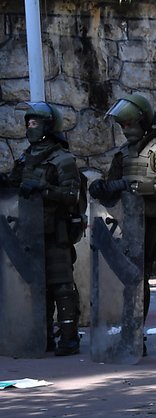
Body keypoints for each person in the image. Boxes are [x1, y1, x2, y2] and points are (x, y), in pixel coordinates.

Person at [89, 94, 156, 362]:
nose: (125, 129)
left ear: (144, 122)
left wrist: (130, 187)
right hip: (136, 227)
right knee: (134, 284)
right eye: (122, 125)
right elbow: (112, 191)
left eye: (129, 124)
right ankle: (133, 339)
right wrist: (102, 188)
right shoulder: (124, 154)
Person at [0, 102, 83, 356]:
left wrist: (43, 190)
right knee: (38, 287)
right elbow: (13, 183)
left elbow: (72, 194)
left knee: (61, 286)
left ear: (48, 126)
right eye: (28, 123)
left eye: (34, 122)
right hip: (29, 232)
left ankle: (69, 338)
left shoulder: (63, 159)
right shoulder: (26, 157)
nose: (29, 127)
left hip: (56, 231)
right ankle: (42, 336)